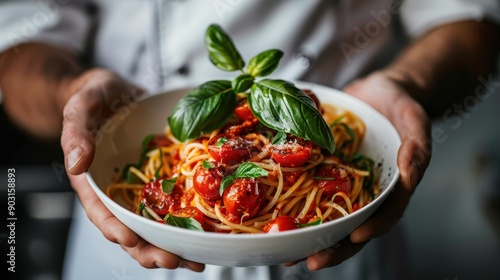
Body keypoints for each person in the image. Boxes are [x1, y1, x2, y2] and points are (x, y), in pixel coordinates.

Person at [0, 0, 499, 279]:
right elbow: (17, 42)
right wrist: (72, 93)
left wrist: (405, 85)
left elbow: (469, 20)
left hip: (340, 242)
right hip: (130, 244)